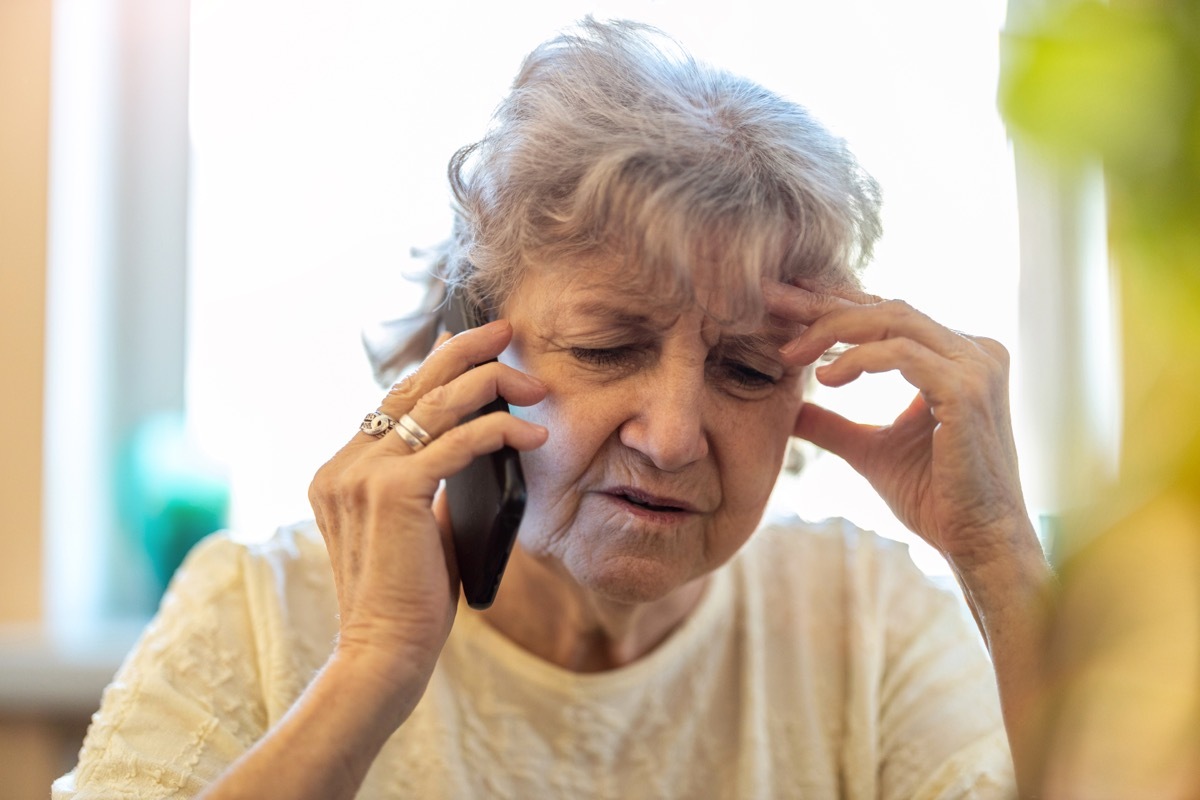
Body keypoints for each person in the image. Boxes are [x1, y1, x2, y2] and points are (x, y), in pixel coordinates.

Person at [54, 18, 1050, 799]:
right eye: (608, 346)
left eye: (747, 369)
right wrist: (369, 669)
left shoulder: (870, 618)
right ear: (468, 350)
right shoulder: (261, 610)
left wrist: (1000, 560)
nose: (668, 436)